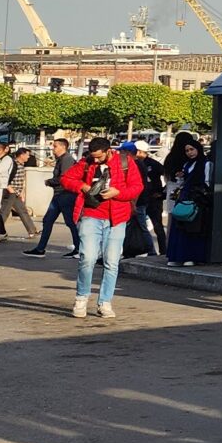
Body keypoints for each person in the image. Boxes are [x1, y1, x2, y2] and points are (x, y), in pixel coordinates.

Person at [67, 134, 143, 320]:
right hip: (91, 214)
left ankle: (105, 302)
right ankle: (81, 298)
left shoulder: (125, 162)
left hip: (117, 217)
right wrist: (83, 186)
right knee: (87, 257)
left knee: (112, 262)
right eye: (93, 156)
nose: (95, 160)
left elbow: (137, 186)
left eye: (99, 156)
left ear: (109, 151)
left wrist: (118, 193)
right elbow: (66, 179)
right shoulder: (86, 163)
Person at [28, 135, 83, 256]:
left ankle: (79, 248)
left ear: (63, 147)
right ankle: (40, 249)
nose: (53, 148)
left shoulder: (67, 159)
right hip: (58, 194)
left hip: (66, 194)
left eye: (55, 146)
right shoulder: (61, 159)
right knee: (48, 220)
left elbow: (64, 178)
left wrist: (50, 181)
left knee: (70, 222)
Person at [162, 133, 212, 266]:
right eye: (187, 150)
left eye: (192, 149)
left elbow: (207, 181)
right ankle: (178, 257)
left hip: (197, 199)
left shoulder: (206, 163)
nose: (190, 153)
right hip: (184, 197)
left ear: (198, 149)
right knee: (180, 227)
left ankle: (192, 256)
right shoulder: (187, 164)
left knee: (193, 228)